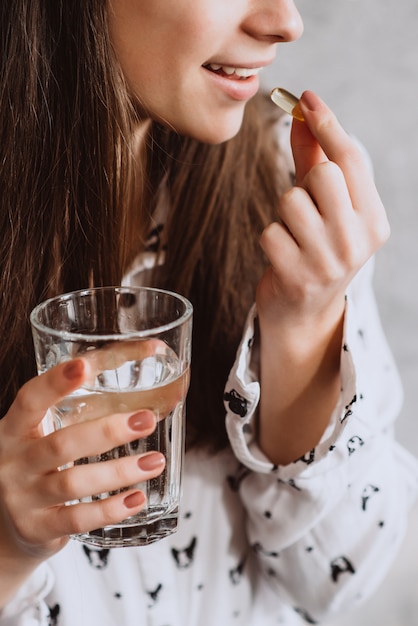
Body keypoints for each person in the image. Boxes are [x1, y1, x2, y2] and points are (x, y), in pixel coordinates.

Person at [0, 1, 417, 624]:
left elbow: (337, 584)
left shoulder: (292, 198)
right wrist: (9, 545)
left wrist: (304, 327)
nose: (285, 22)